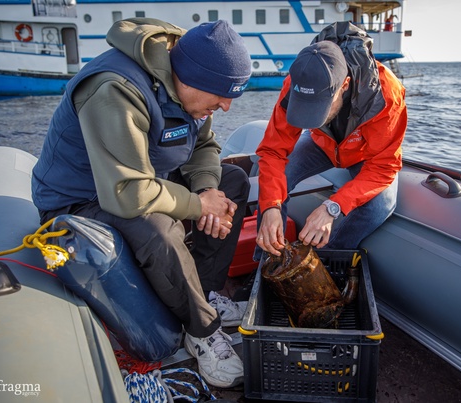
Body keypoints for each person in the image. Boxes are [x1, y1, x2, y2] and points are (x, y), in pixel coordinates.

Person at [31, 18, 252, 388]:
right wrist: (199, 207)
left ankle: (205, 293)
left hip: (141, 181)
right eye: (220, 95)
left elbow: (203, 147)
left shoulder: (190, 90)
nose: (226, 107)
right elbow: (128, 193)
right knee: (158, 226)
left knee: (234, 182)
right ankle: (203, 330)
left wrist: (207, 191)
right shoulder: (114, 88)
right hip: (80, 200)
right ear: (189, 77)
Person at [255, 21, 407, 258]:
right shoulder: (296, 84)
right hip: (322, 145)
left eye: (319, 108)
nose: (311, 117)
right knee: (274, 188)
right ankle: (266, 263)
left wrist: (333, 206)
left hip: (365, 154)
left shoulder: (387, 95)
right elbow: (274, 151)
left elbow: (384, 166)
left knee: (381, 206)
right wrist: (271, 206)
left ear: (344, 85)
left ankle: (325, 261)